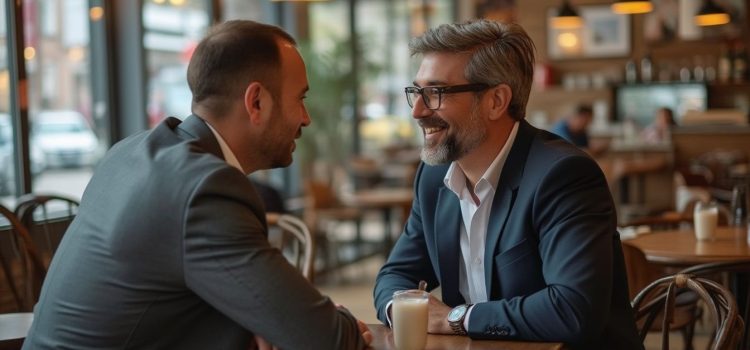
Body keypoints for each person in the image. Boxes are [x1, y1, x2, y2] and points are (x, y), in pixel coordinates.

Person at [23, 20, 371, 350]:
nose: (306, 118)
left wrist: (262, 321)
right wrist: (329, 320)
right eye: (301, 98)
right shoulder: (206, 190)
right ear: (256, 102)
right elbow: (326, 339)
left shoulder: (131, 152)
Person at [373, 20, 641, 349]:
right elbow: (394, 277)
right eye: (417, 91)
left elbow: (573, 310)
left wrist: (455, 318)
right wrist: (403, 309)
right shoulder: (433, 178)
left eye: (436, 92)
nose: (417, 110)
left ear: (496, 101)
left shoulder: (563, 176)